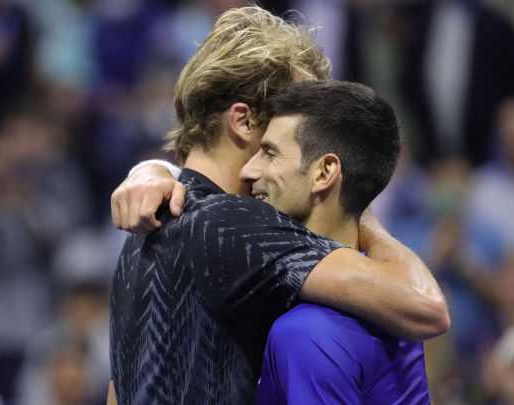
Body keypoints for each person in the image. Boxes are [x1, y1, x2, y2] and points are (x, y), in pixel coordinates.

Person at [109, 6, 448, 405]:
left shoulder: (142, 234)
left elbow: (118, 391)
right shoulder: (231, 223)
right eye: (286, 121)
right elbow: (425, 307)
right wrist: (360, 210)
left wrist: (155, 168)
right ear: (244, 121)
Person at [245, 80, 429, 404]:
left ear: (324, 172)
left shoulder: (305, 333)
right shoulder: (390, 301)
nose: (249, 169)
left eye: (270, 153)